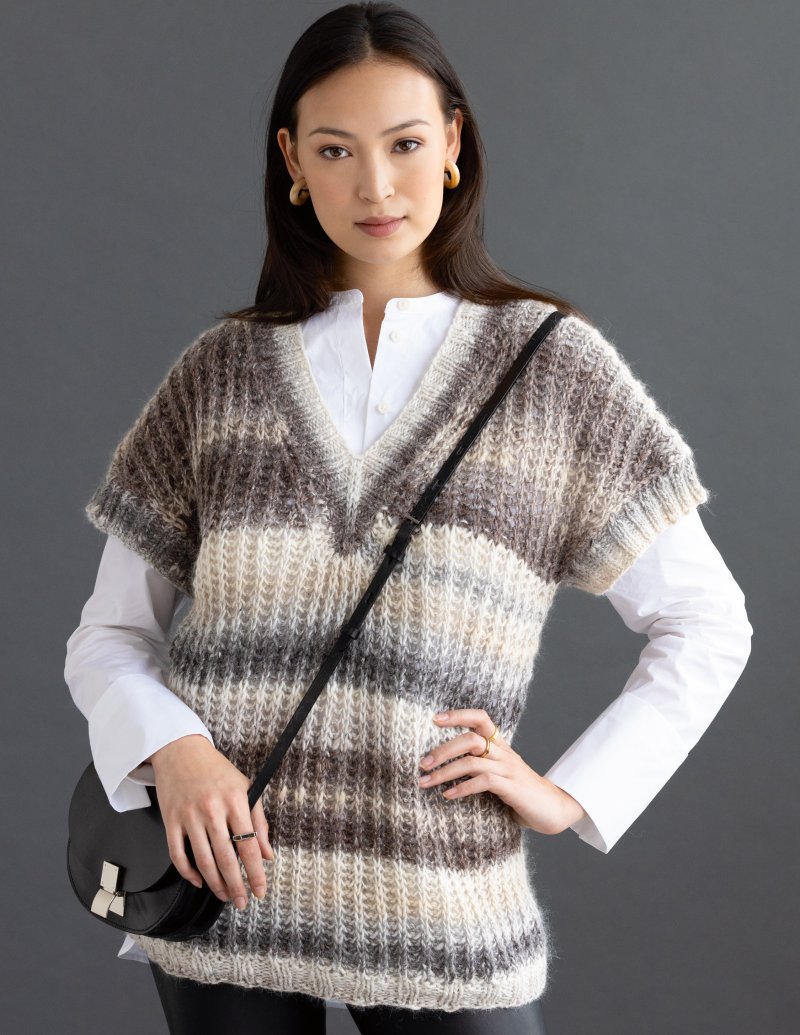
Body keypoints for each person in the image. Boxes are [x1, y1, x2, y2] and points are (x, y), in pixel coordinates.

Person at [64, 3, 752, 1033]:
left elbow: (706, 622)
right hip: (220, 894)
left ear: (453, 142)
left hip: (440, 908)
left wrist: (571, 792)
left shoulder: (552, 370)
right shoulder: (220, 374)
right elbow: (109, 635)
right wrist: (175, 750)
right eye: (336, 150)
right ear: (292, 162)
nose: (376, 186)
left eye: (405, 143)